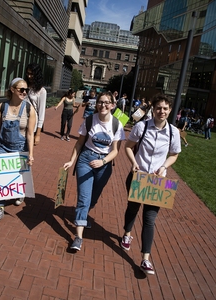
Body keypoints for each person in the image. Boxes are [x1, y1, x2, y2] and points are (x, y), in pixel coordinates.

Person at [121, 93, 181, 275]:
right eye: (158, 108)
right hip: (138, 177)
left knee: (150, 219)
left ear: (170, 110)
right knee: (132, 208)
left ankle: (145, 258)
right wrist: (134, 163)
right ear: (153, 110)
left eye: (165, 108)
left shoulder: (173, 132)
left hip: (157, 182)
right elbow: (128, 147)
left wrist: (164, 167)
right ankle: (127, 233)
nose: (161, 111)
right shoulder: (142, 127)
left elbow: (174, 154)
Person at [64, 91, 125, 250]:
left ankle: (83, 215)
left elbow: (115, 151)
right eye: (100, 102)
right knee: (83, 198)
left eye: (106, 103)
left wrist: (103, 161)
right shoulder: (90, 120)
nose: (103, 105)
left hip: (104, 164)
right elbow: (79, 143)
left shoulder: (117, 124)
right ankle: (78, 237)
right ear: (96, 104)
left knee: (93, 198)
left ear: (112, 105)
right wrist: (72, 161)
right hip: (85, 160)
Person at [0, 78, 36, 224]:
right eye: (21, 89)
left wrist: (31, 154)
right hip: (2, 147)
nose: (24, 92)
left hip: (20, 148)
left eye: (26, 90)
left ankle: (19, 193)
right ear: (12, 89)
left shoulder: (29, 109)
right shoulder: (2, 106)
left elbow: (30, 134)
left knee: (17, 178)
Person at [24, 63, 47, 146]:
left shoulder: (41, 91)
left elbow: (41, 113)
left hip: (32, 122)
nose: (29, 76)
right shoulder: (24, 85)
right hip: (20, 120)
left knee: (26, 149)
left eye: (32, 74)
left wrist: (38, 134)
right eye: (28, 73)